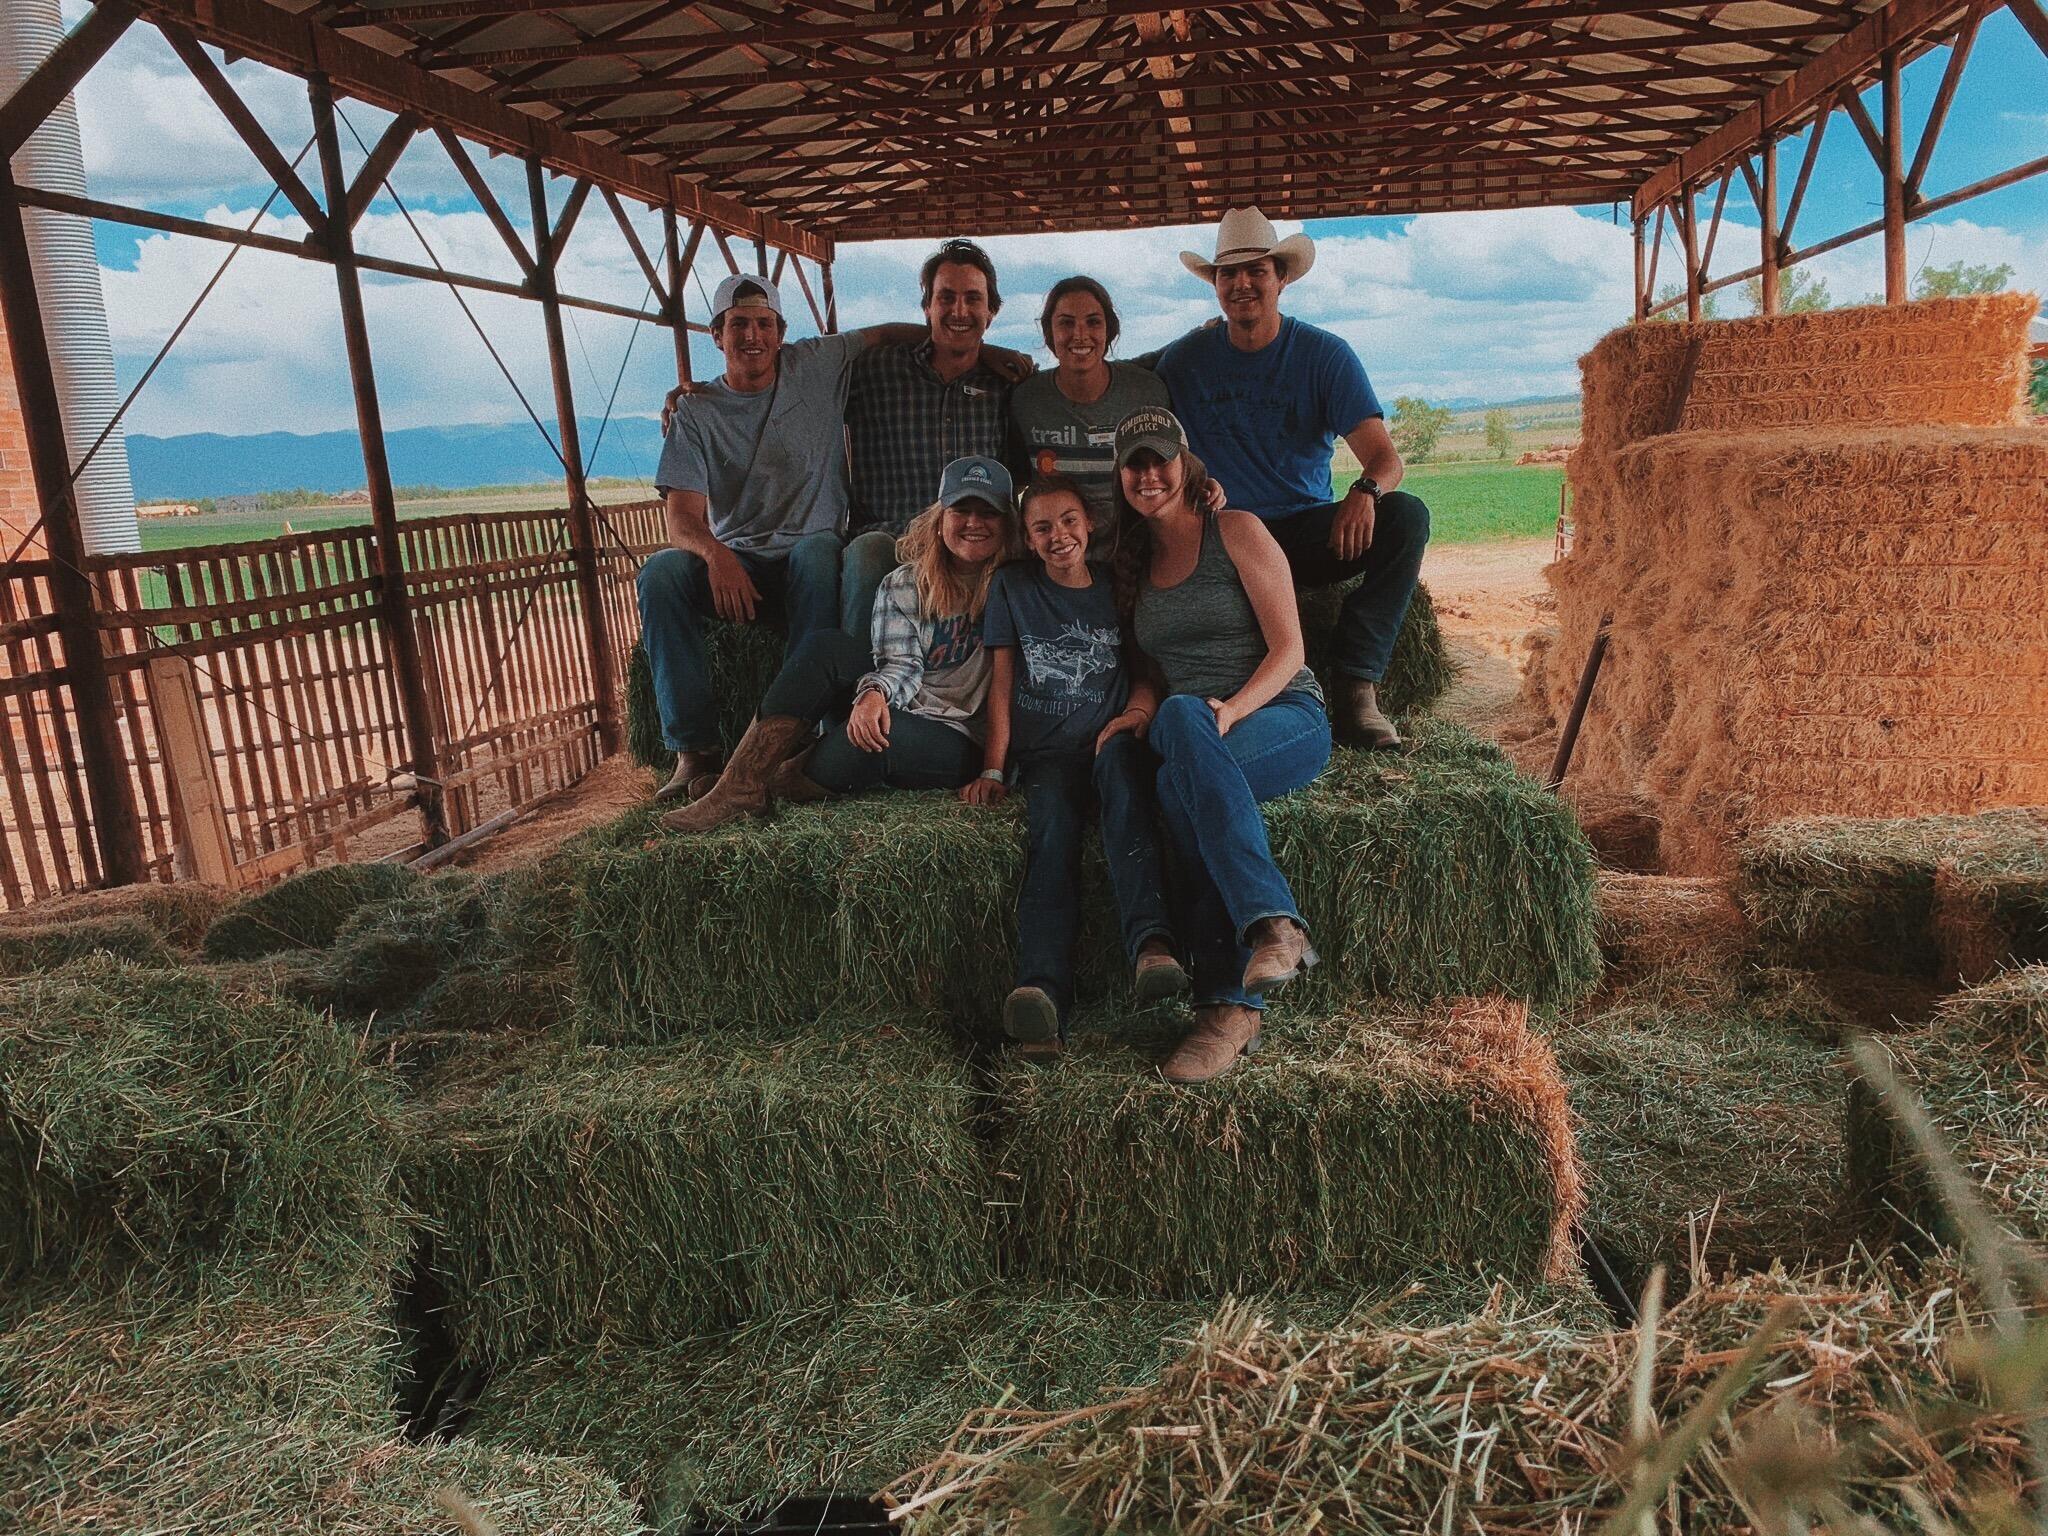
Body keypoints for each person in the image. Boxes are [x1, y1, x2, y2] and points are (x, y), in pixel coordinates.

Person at [1146, 207, 1431, 751]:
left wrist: (1365, 493)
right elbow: (1116, 376)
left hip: (1304, 533)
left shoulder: (1325, 355)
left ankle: (1355, 685)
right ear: (1215, 287)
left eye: (1257, 270)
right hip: (1224, 541)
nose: (1243, 283)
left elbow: (1386, 459)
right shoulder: (1183, 360)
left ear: (1282, 278)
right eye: (1228, 274)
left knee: (1407, 517)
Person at [640, 275, 926, 803]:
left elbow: (887, 332)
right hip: (739, 566)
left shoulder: (816, 362)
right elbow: (681, 519)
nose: (753, 335)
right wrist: (716, 554)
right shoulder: (697, 411)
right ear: (716, 335)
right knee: (660, 574)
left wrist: (991, 353)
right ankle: (694, 752)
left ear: (782, 332)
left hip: (808, 559)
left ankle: (798, 739)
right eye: (739, 324)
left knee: (820, 552)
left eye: (764, 324)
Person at [1112, 407, 1330, 1084]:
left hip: (1281, 712)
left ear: (1186, 464)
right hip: (1192, 730)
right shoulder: (1136, 564)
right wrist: (1141, 708)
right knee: (1177, 736)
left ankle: (1227, 1005)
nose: (1150, 474)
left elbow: (1290, 647)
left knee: (1184, 765)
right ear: (1121, 476)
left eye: (1161, 460)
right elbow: (1151, 668)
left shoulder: (1235, 530)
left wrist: (1233, 708)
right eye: (1136, 464)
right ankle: (1271, 934)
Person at [662, 455, 1018, 833]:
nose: (974, 523)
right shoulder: (904, 584)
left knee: (881, 734)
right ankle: (739, 788)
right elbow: (901, 664)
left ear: (1007, 524)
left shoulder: (1016, 589)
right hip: (909, 701)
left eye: (989, 512)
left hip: (959, 737)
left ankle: (767, 783)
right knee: (828, 648)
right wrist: (874, 693)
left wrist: (993, 769)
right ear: (940, 516)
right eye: (961, 509)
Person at [973, 473, 1185, 1053]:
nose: (1058, 535)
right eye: (1041, 527)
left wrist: (1137, 715)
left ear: (1090, 523)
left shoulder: (1119, 584)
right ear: (1028, 538)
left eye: (1068, 520)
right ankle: (1040, 992)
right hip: (1047, 756)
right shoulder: (1013, 587)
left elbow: (1147, 671)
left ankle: (1151, 947)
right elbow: (1001, 681)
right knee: (1052, 836)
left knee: (1127, 799)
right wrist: (994, 768)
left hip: (1111, 740)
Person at [841, 239, 1031, 641]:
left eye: (972, 299)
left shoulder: (1008, 385)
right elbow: (788, 377)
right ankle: (857, 689)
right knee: (865, 552)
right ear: (927, 307)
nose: (959, 310)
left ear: (991, 313)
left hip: (972, 542)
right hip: (893, 537)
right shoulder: (874, 371)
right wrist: (710, 393)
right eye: (946, 297)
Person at [1006, 276, 1171, 529]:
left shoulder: (1147, 392)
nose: (1080, 335)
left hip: (1137, 552)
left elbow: (1172, 471)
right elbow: (1016, 485)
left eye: (1093, 322)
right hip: (1062, 555)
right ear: (1049, 331)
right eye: (1066, 323)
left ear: (1109, 330)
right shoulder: (1027, 400)